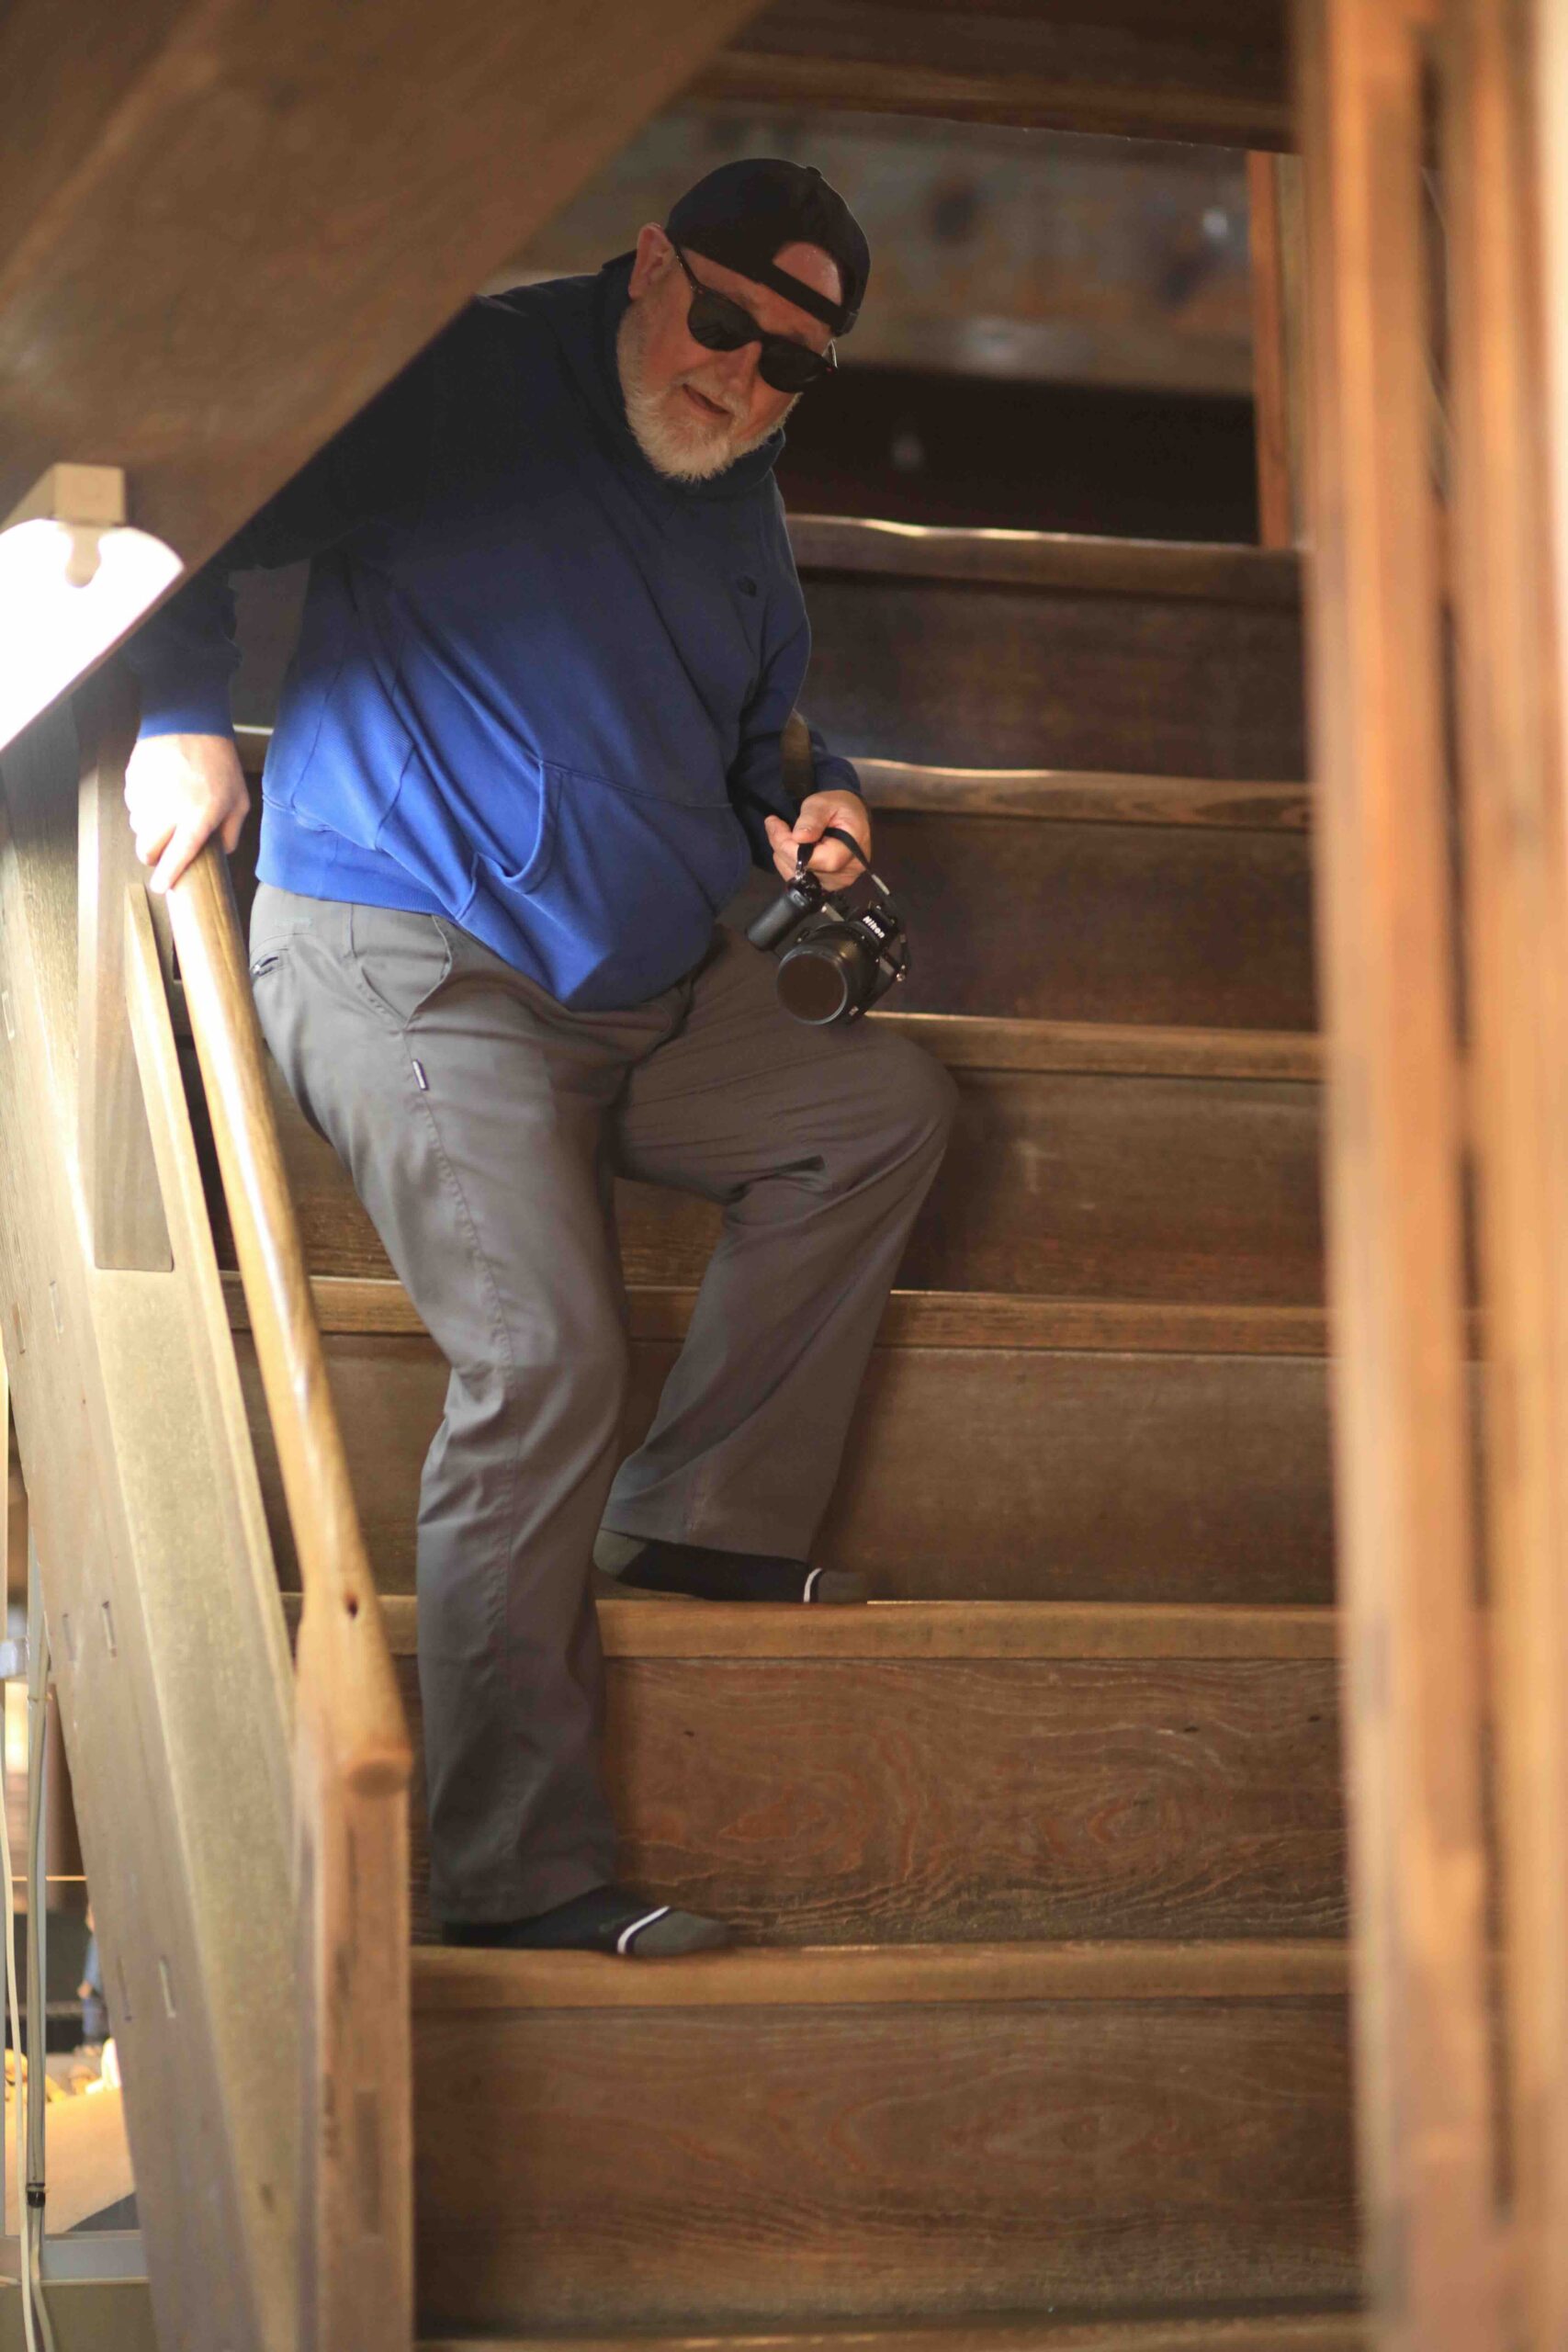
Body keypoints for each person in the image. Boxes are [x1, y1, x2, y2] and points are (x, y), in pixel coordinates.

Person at [122, 160, 957, 1958]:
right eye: (722, 320)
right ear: (652, 265)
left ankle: (704, 1509)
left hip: (646, 990)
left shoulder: (737, 490)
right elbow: (184, 497)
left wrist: (817, 801)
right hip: (407, 959)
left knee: (880, 1107)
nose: (737, 376)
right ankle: (509, 1866)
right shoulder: (463, 378)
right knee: (552, 1351)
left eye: (787, 364)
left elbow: (767, 731)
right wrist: (185, 721)